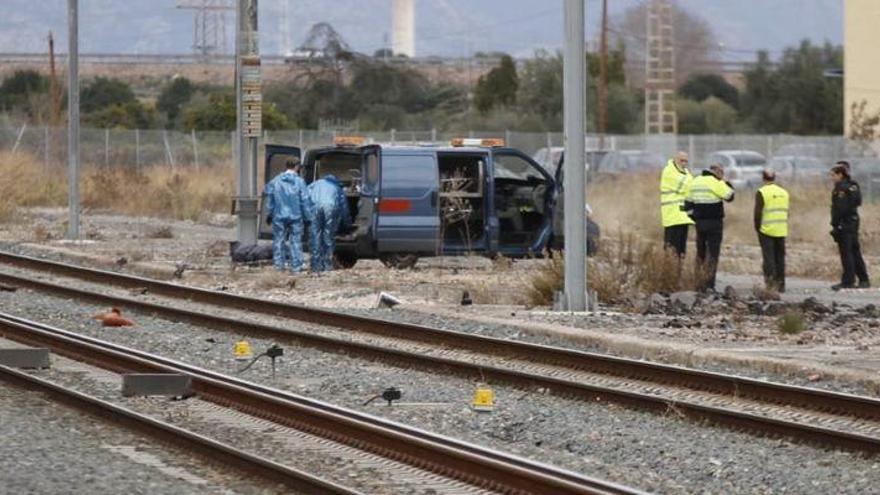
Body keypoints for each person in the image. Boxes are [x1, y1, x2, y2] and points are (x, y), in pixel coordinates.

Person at [685, 163, 735, 292]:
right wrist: (724, 181)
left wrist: (695, 219)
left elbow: (688, 205)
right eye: (721, 172)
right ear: (716, 172)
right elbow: (730, 196)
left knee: (700, 253)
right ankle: (709, 284)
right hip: (714, 223)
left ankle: (698, 282)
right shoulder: (715, 182)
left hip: (699, 223)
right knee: (712, 254)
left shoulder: (695, 181)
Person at [264, 157, 312, 272]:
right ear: (297, 167)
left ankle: (279, 267)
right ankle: (296, 267)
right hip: (296, 216)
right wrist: (308, 217)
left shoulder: (275, 181)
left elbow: (270, 199)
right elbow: (305, 201)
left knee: (279, 241)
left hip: (279, 216)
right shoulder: (300, 182)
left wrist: (269, 214)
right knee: (295, 241)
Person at [830, 164, 870, 290]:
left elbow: (840, 209)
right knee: (855, 251)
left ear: (840, 174)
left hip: (845, 223)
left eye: (833, 175)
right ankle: (864, 279)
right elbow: (858, 202)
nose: (832, 178)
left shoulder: (841, 189)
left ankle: (848, 281)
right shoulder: (853, 186)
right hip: (853, 221)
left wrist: (835, 224)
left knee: (846, 252)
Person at [754, 168, 789, 292]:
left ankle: (770, 285)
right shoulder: (784, 192)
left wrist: (757, 228)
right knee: (780, 258)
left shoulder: (762, 192)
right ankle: (781, 285)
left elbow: (758, 213)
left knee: (769, 258)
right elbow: (787, 212)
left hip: (766, 230)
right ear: (775, 178)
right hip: (781, 229)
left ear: (763, 178)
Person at [308, 174, 351, 272]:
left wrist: (306, 215)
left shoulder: (313, 185)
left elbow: (305, 198)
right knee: (328, 236)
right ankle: (327, 265)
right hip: (330, 209)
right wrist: (347, 223)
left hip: (315, 208)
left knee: (315, 236)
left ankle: (315, 266)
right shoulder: (336, 187)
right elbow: (344, 207)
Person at [660, 151, 694, 257]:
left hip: (682, 215)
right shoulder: (669, 171)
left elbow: (690, 187)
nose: (684, 163)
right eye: (681, 160)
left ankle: (677, 270)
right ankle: (669, 270)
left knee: (681, 250)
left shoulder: (685, 172)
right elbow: (685, 187)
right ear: (676, 159)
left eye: (686, 161)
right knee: (671, 248)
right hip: (672, 215)